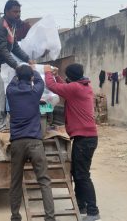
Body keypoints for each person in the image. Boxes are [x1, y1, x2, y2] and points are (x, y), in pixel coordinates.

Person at [44, 64, 100, 221]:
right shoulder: (84, 85)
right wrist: (57, 76)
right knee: (77, 172)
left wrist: (48, 73)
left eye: (67, 76)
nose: (66, 79)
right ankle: (80, 207)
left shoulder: (75, 88)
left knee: (82, 175)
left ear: (72, 77)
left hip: (85, 139)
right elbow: (65, 86)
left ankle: (93, 211)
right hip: (86, 137)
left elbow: (53, 87)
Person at [6, 64, 56, 221]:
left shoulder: (11, 92)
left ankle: (15, 216)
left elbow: (13, 81)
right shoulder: (35, 92)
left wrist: (20, 74)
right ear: (31, 78)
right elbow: (40, 80)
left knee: (15, 182)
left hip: (17, 142)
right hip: (35, 142)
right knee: (44, 181)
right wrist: (33, 68)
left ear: (18, 77)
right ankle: (49, 217)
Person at [0, 0, 34, 131]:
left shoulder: (11, 26)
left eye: (19, 11)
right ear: (6, 12)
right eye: (15, 11)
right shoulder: (0, 26)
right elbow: (2, 50)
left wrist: (28, 59)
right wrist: (17, 66)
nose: (18, 14)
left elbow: (14, 46)